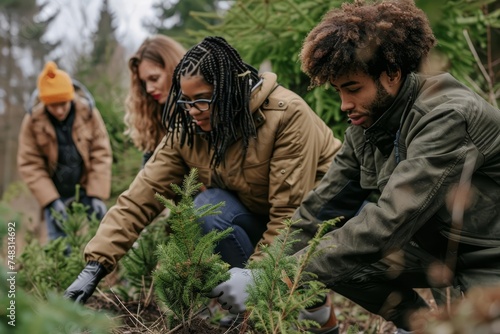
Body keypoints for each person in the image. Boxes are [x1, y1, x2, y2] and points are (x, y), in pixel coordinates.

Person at [208, 1, 500, 333]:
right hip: (435, 251)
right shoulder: (365, 127)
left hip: (490, 256)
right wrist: (262, 271)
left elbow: (389, 221)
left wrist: (275, 279)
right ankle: (420, 326)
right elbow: (318, 212)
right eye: (338, 91)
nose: (345, 104)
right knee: (338, 260)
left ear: (392, 73)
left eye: (353, 89)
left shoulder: (446, 115)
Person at [63, 36, 341, 307]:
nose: (193, 110)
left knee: (309, 306)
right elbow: (139, 197)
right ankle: (256, 310)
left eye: (203, 99)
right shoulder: (188, 130)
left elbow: (289, 214)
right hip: (262, 216)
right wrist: (95, 266)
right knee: (209, 207)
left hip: (323, 223)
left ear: (228, 90)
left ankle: (306, 308)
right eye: (187, 101)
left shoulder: (286, 115)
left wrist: (254, 279)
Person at [18, 61, 112, 241]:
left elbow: (101, 153)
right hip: (55, 193)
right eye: (53, 105)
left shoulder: (88, 113)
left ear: (71, 97)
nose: (60, 110)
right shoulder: (32, 122)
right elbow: (30, 164)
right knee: (59, 246)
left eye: (63, 103)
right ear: (44, 103)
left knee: (103, 237)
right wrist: (50, 200)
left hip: (86, 189)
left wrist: (97, 194)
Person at [124, 35, 186, 167]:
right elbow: (147, 177)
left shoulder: (203, 111)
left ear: (174, 69)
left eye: (154, 78)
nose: (148, 89)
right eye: (144, 82)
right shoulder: (157, 117)